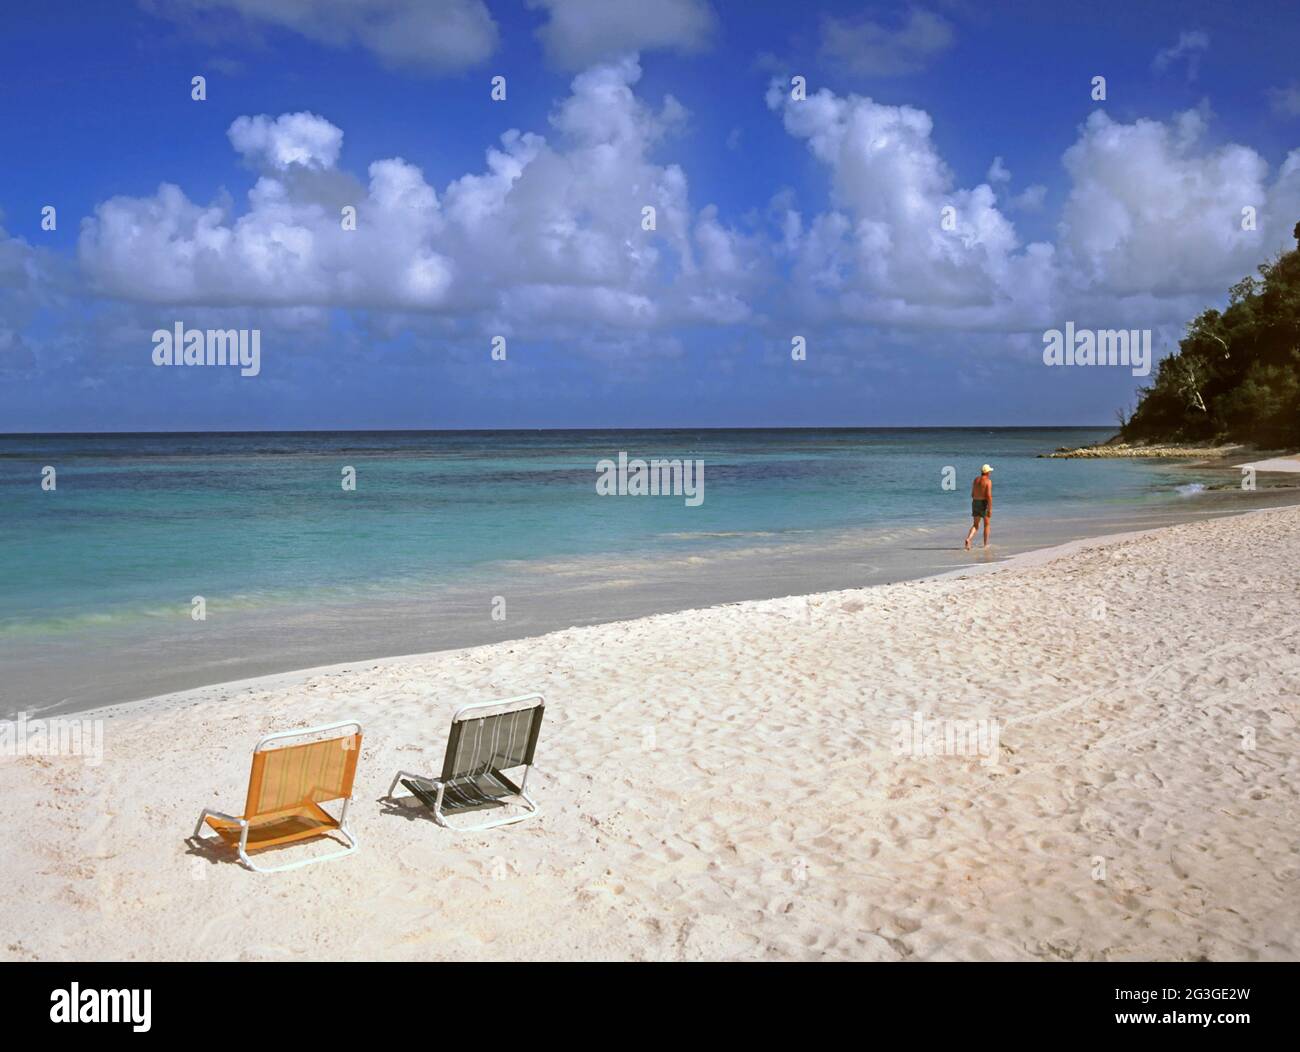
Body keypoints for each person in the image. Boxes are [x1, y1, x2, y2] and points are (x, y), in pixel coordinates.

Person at [964, 464, 993, 550]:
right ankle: (985, 545)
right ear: (987, 472)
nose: (990, 473)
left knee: (976, 525)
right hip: (983, 503)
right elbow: (989, 496)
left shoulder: (976, 480)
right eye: (990, 471)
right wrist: (990, 508)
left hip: (975, 502)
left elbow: (972, 494)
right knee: (986, 525)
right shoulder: (988, 481)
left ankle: (968, 538)